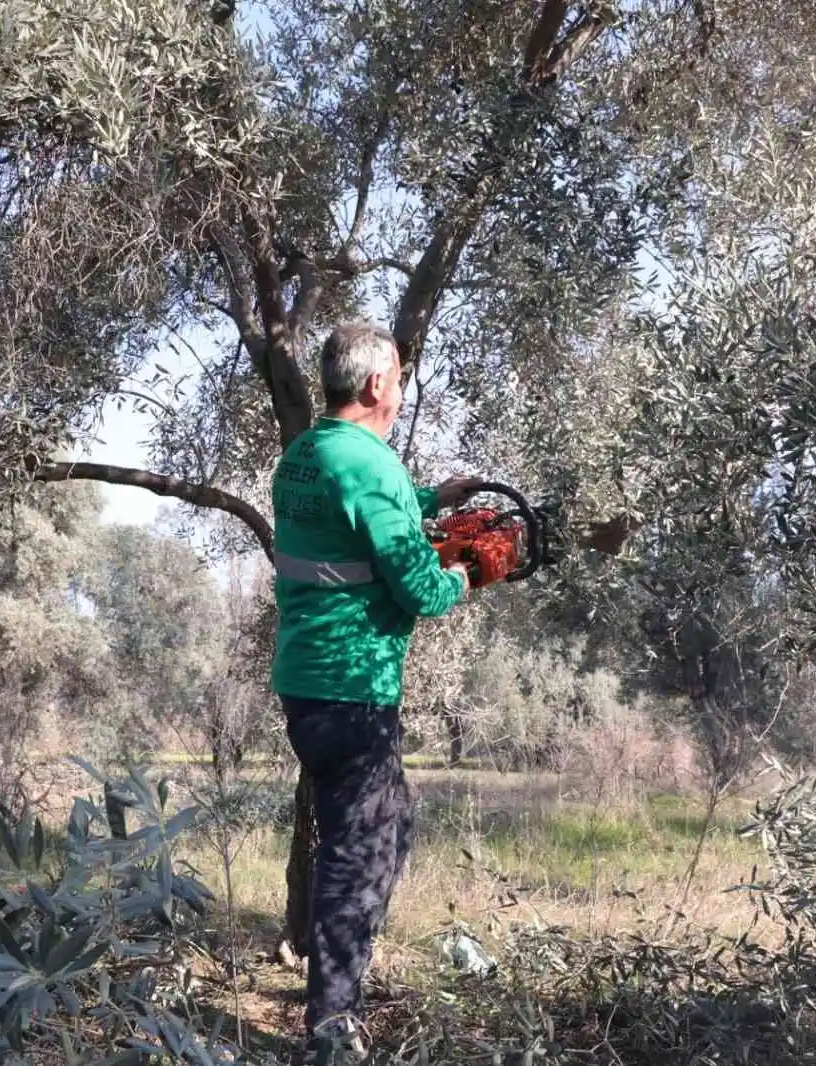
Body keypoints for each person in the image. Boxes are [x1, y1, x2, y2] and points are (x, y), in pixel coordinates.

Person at [269, 320, 480, 1065]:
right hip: (351, 689)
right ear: (376, 384)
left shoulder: (305, 454)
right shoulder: (370, 466)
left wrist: (429, 496)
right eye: (398, 376)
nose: (399, 388)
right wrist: (473, 571)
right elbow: (421, 588)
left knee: (385, 836)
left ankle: (339, 995)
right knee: (359, 855)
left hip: (309, 685)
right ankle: (331, 1030)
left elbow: (352, 517)